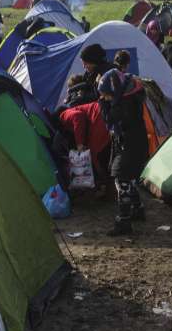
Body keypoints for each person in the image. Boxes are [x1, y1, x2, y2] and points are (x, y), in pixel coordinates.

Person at [100, 51, 149, 236]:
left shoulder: (123, 105)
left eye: (106, 95)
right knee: (128, 177)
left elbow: (115, 120)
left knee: (121, 179)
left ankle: (124, 221)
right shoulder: (131, 95)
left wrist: (108, 109)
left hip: (129, 143)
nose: (104, 98)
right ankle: (137, 209)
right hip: (137, 143)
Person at [59, 75, 111, 188]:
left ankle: (104, 186)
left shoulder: (64, 114)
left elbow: (78, 117)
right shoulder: (90, 95)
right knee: (104, 154)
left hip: (99, 120)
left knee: (95, 153)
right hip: (105, 114)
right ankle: (105, 184)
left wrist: (79, 143)